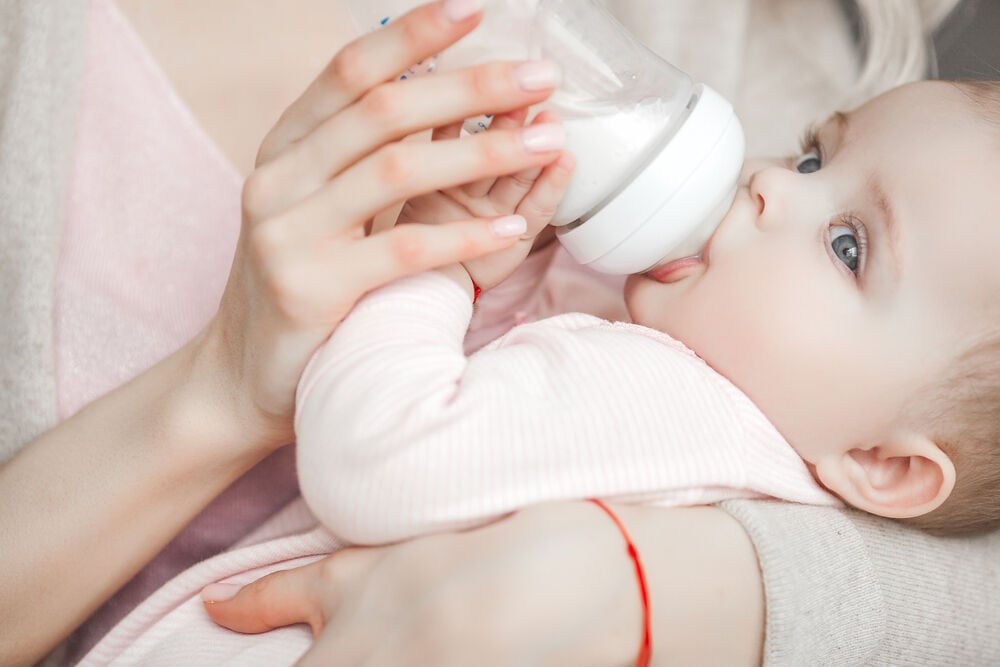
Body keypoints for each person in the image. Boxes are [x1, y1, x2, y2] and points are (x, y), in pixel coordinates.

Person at [2, 1, 998, 666]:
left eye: (848, 245)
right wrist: (491, 289)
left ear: (887, 465)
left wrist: (426, 273)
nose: (771, 179)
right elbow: (505, 424)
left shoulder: (663, 392)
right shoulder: (726, 421)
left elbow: (386, 457)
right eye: (816, 153)